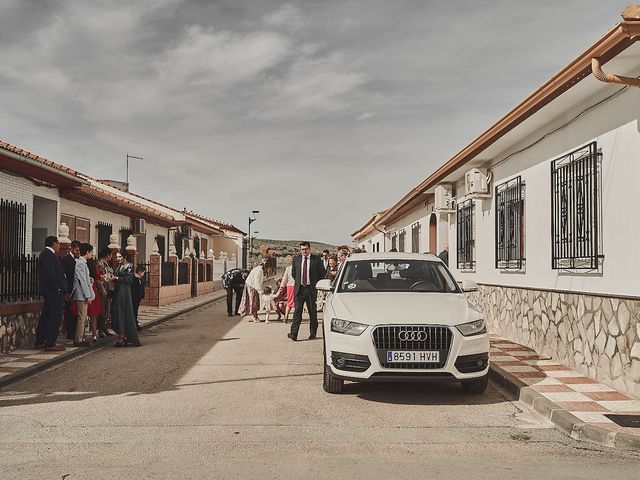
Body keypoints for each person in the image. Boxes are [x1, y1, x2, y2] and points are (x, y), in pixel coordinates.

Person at [34, 236, 67, 352]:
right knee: (55, 316)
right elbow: (50, 274)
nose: (59, 246)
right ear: (54, 243)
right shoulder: (48, 254)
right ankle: (50, 343)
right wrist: (57, 288)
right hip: (53, 291)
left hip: (50, 291)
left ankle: (40, 340)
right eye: (58, 243)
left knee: (46, 315)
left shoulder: (46, 254)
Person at [288, 241, 325, 341]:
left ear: (309, 249)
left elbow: (321, 274)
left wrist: (315, 285)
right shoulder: (296, 259)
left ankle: (313, 333)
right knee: (297, 312)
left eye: (306, 249)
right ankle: (294, 333)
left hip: (311, 289)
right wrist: (300, 282)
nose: (304, 251)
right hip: (299, 289)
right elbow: (294, 273)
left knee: (312, 312)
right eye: (302, 249)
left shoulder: (316, 259)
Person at [111, 252, 141, 347]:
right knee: (117, 312)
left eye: (120, 257)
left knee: (123, 311)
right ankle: (122, 333)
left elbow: (129, 280)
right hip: (118, 290)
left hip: (124, 292)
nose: (118, 258)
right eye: (117, 257)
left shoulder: (129, 266)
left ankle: (122, 335)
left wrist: (117, 278)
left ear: (124, 257)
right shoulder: (118, 267)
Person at [71, 243, 95, 347]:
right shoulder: (81, 263)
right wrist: (87, 295)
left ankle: (81, 337)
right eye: (91, 252)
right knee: (82, 317)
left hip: (83, 294)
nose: (92, 254)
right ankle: (78, 339)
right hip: (81, 294)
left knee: (83, 317)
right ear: (87, 252)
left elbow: (85, 279)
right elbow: (82, 280)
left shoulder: (82, 263)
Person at [61, 240, 81, 340]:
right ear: (72, 249)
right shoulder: (66, 260)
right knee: (69, 312)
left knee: (76, 312)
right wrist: (66, 291)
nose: (78, 252)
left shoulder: (79, 260)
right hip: (69, 290)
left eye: (79, 250)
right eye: (76, 250)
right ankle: (70, 332)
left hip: (77, 290)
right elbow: (64, 276)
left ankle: (74, 331)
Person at [96, 248, 114, 337]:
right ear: (108, 255)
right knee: (102, 309)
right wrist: (102, 289)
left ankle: (104, 328)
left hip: (108, 287)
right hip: (103, 287)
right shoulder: (100, 263)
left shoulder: (106, 264)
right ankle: (100, 329)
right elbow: (100, 277)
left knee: (107, 309)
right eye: (110, 255)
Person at [87, 254, 103, 342]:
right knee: (94, 315)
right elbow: (99, 280)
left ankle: (82, 335)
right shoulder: (94, 273)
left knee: (83, 316)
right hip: (93, 292)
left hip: (85, 291)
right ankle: (94, 335)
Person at [277, 257, 296, 323]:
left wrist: (282, 286)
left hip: (289, 286)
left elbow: (284, 278)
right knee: (297, 302)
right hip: (297, 286)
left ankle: (286, 316)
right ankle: (296, 317)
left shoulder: (288, 268)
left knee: (289, 302)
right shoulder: (299, 268)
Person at [131, 265, 146, 331]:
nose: (143, 274)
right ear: (139, 272)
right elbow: (135, 290)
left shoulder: (139, 278)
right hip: (135, 299)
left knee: (135, 312)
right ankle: (134, 325)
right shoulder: (135, 279)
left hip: (137, 299)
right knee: (134, 312)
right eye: (143, 273)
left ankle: (135, 324)